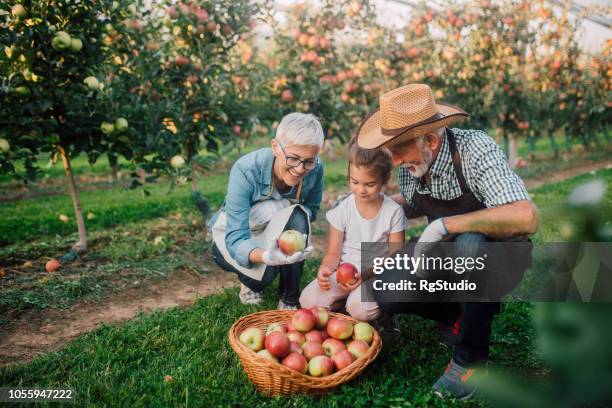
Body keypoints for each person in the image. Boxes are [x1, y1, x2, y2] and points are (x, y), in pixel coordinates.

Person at [356, 84, 539, 400]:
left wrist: (444, 226)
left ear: (430, 139)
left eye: (399, 150)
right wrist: (376, 204)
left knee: (469, 243)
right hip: (447, 254)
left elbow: (527, 216)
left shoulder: (474, 150)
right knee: (388, 289)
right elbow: (417, 202)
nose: (395, 160)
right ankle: (457, 316)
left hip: (500, 256)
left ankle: (469, 361)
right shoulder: (412, 165)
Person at [209, 112, 324, 310]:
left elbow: (311, 211)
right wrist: (266, 257)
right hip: (240, 231)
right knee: (261, 278)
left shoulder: (316, 168)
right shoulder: (246, 169)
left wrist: (282, 214)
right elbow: (235, 236)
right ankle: (250, 283)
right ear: (275, 147)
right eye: (293, 158)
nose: (300, 168)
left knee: (298, 213)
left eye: (308, 161)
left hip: (277, 227)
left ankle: (289, 298)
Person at [299, 141, 406, 325]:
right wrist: (325, 268)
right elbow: (333, 253)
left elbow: (395, 258)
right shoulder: (344, 209)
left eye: (370, 184)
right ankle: (342, 304)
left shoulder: (393, 212)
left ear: (385, 179)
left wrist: (365, 275)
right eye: (354, 182)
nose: (361, 190)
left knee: (361, 309)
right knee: (307, 300)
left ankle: (383, 316)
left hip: (375, 275)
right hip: (344, 274)